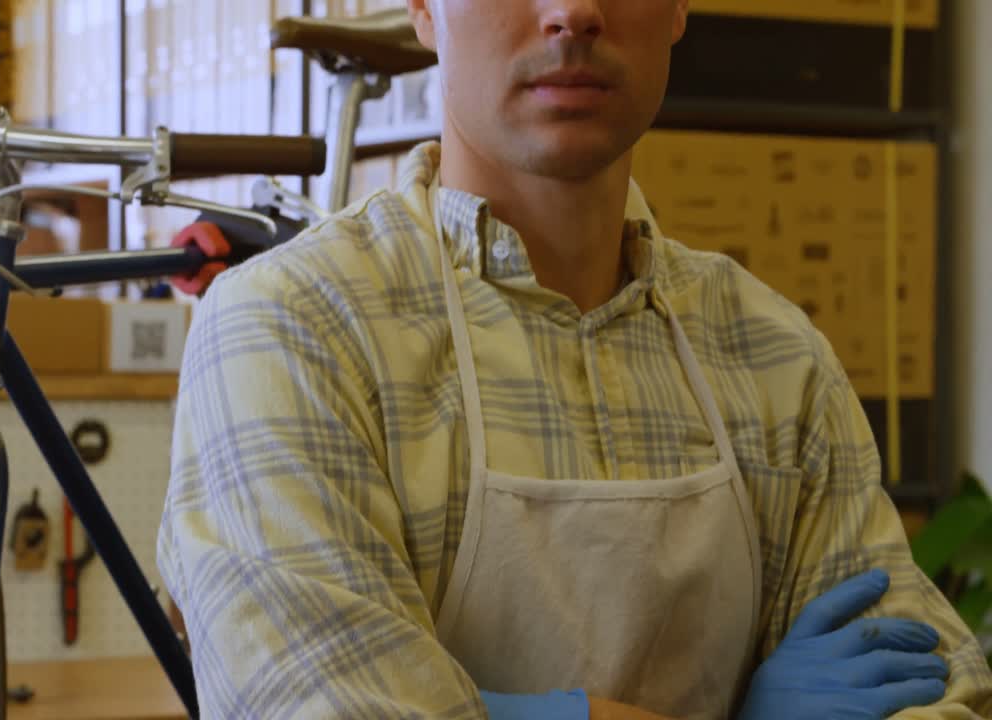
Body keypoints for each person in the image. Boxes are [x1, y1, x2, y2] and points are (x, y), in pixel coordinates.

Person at [157, 1, 992, 717]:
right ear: (421, 5)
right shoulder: (294, 331)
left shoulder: (776, 357)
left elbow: (931, 688)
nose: (574, 9)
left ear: (678, 6)